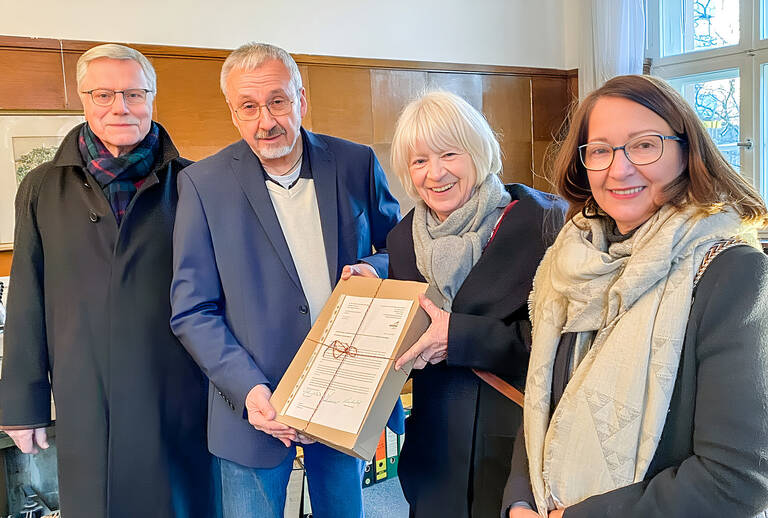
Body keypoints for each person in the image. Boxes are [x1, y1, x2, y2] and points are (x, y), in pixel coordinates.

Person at [503, 74, 768, 518]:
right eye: (601, 150)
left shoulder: (734, 273)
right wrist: (519, 500)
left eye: (644, 145)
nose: (619, 169)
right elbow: (542, 404)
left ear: (687, 151)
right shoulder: (568, 263)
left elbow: (738, 479)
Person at [169, 42, 401, 518]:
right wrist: (250, 389)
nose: (265, 121)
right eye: (248, 107)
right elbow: (192, 310)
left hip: (344, 393)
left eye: (277, 101)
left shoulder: (356, 163)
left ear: (301, 99)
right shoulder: (202, 185)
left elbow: (399, 251)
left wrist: (373, 269)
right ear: (233, 112)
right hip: (252, 404)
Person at [0, 44, 219, 518]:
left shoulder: (195, 183)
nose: (120, 107)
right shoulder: (41, 187)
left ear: (152, 99)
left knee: (181, 505)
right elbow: (26, 300)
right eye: (104, 94)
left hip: (176, 389)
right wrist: (22, 403)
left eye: (134, 94)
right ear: (83, 99)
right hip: (85, 392)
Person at [378, 90, 565, 517]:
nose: (435, 173)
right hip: (434, 454)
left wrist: (461, 337)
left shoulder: (542, 223)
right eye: (419, 160)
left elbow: (567, 345)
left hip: (512, 451)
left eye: (449, 154)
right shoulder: (402, 241)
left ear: (478, 152)